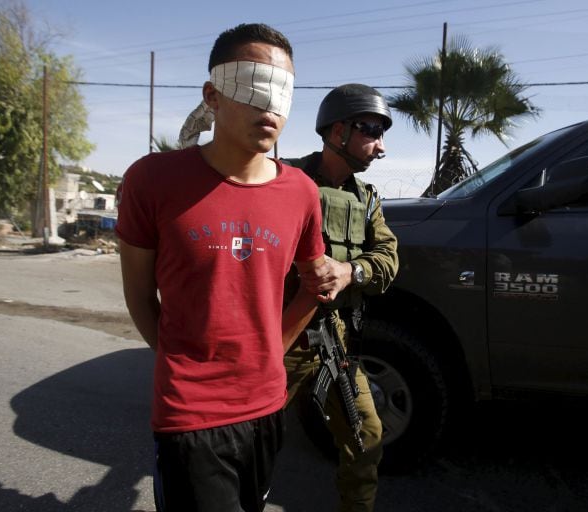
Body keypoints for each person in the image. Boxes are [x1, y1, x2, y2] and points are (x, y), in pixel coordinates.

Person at [115, 23, 336, 512]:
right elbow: (138, 293)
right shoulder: (152, 180)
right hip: (189, 415)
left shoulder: (301, 191)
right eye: (255, 86)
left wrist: (270, 354)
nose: (271, 106)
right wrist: (182, 362)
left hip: (267, 409)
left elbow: (314, 282)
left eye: (283, 92)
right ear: (213, 95)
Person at [283, 83, 400, 512]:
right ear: (338, 132)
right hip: (286, 334)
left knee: (365, 436)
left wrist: (351, 271)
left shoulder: (366, 200)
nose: (380, 147)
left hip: (337, 339)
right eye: (371, 131)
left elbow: (388, 257)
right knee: (249, 436)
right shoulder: (285, 180)